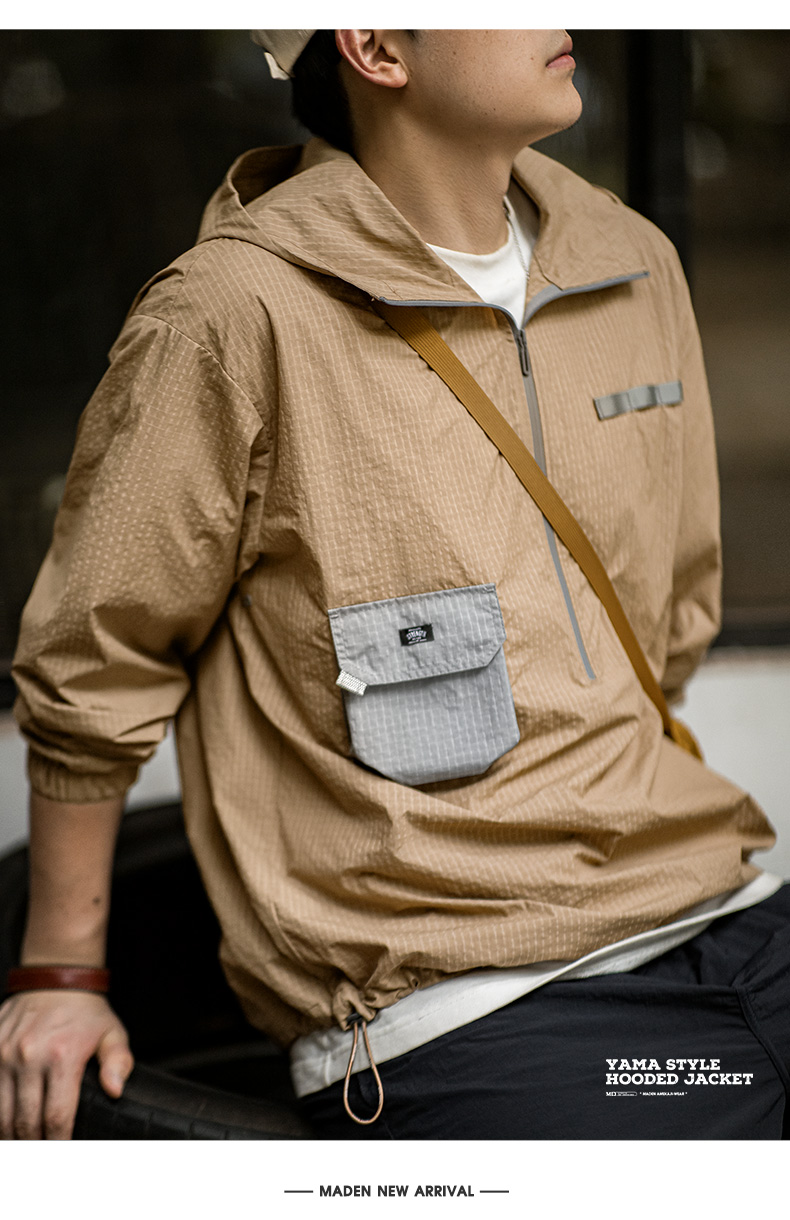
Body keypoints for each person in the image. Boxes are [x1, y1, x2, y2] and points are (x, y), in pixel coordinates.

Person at [1, 29, 787, 1142]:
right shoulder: (232, 310)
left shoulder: (632, 258)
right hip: (467, 996)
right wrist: (60, 977)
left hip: (725, 908)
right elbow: (96, 661)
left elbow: (674, 607)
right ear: (375, 46)